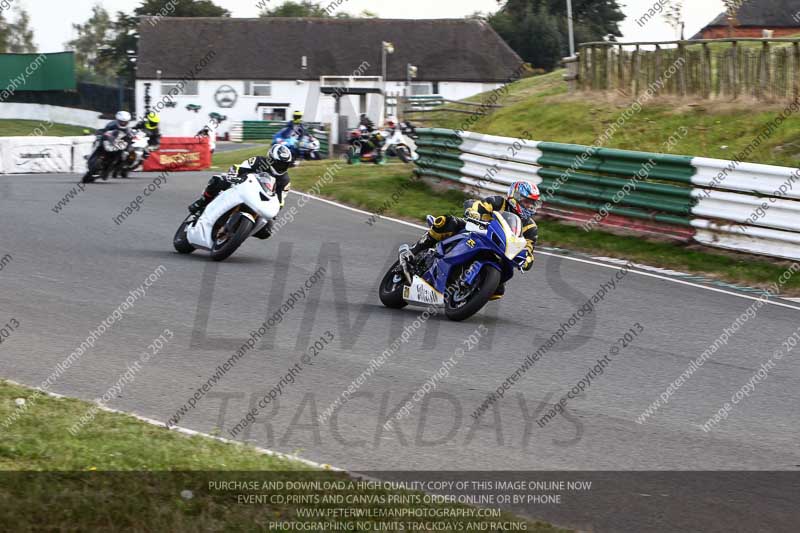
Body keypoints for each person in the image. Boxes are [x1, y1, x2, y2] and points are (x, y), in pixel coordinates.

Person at [408, 180, 540, 298]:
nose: (529, 206)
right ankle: (414, 250)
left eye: (532, 203)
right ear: (516, 197)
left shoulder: (531, 227)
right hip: (476, 231)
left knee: (498, 290)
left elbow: (529, 249)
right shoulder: (498, 202)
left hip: (500, 249)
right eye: (527, 201)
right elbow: (479, 205)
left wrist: (526, 260)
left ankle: (470, 289)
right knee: (445, 222)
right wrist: (474, 212)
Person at [187, 144, 294, 239]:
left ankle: (239, 232)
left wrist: (276, 211)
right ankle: (202, 201)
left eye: (285, 164)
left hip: (259, 199)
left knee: (267, 230)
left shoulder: (285, 180)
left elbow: (280, 200)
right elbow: (239, 168)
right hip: (241, 186)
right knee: (218, 180)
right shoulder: (258, 161)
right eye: (279, 163)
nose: (281, 167)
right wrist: (233, 176)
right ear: (270, 159)